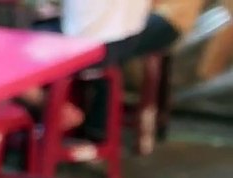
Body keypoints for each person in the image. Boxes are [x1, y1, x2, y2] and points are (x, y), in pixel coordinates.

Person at [24, 0, 186, 140]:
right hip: (124, 37)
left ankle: (51, 108)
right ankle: (68, 116)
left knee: (10, 50)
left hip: (89, 42)